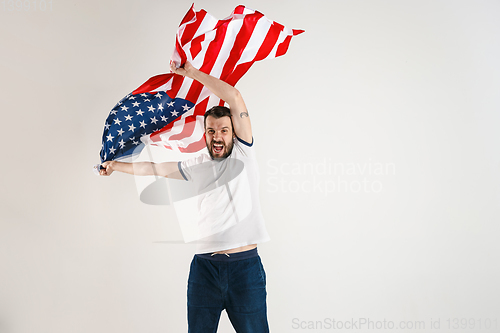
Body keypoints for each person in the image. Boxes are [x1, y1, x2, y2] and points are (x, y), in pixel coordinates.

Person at [99, 61, 270, 332]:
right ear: (205, 134)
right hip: (204, 271)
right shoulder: (196, 165)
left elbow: (234, 96)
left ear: (234, 132)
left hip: (245, 270)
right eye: (211, 130)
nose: (217, 136)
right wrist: (116, 165)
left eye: (224, 130)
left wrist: (191, 73)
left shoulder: (244, 152)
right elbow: (154, 168)